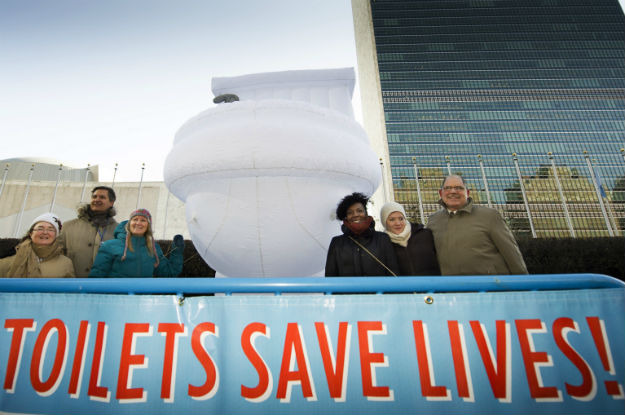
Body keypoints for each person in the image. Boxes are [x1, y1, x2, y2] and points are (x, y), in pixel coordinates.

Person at [427, 175, 528, 275]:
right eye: (448, 188)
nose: (453, 191)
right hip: (450, 287)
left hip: (490, 286)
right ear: (441, 193)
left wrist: (524, 284)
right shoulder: (433, 220)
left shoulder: (490, 216)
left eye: (459, 188)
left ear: (467, 192)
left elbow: (511, 254)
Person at [89, 209, 184, 277]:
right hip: (116, 299)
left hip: (143, 300)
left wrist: (177, 251)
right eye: (135, 219)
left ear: (148, 226)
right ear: (129, 224)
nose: (138, 223)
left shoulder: (153, 248)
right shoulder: (110, 246)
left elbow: (169, 273)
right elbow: (97, 275)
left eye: (143, 220)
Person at [325, 192, 399, 277]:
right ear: (346, 217)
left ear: (366, 213)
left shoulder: (383, 239)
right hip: (348, 291)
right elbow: (330, 277)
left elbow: (393, 273)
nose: (355, 215)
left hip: (378, 290)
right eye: (350, 212)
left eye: (359, 211)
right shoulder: (337, 243)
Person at [59, 186, 118, 276]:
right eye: (94, 197)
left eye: (102, 197)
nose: (96, 200)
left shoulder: (118, 230)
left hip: (104, 286)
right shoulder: (68, 227)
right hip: (72, 284)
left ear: (111, 202)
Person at [0, 213, 74, 278]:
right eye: (40, 228)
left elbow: (70, 292)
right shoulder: (7, 261)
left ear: (56, 235)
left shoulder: (66, 263)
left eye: (51, 229)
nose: (45, 232)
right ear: (31, 233)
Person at [380, 201, 440, 276]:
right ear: (384, 222)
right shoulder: (383, 243)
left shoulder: (425, 234)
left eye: (401, 218)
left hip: (432, 285)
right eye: (392, 220)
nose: (398, 223)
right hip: (404, 287)